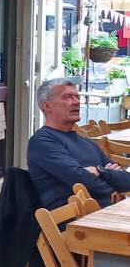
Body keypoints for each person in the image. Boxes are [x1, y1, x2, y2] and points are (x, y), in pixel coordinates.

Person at [27, 77, 130, 211]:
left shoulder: (87, 142)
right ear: (47, 106)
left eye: (77, 97)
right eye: (68, 97)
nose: (76, 102)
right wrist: (111, 183)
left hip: (104, 214)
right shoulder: (43, 142)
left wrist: (99, 171)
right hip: (73, 224)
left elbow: (127, 181)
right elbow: (81, 179)